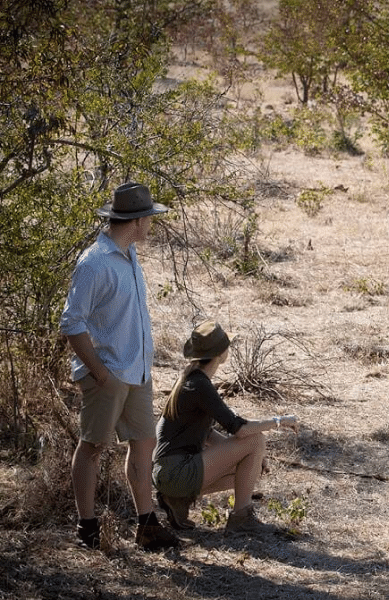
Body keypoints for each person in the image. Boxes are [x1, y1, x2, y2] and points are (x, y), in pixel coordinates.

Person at [60, 182, 179, 551]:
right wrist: (99, 372)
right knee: (93, 446)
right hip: (108, 373)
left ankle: (146, 525)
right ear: (137, 220)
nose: (151, 226)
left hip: (137, 372)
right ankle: (87, 527)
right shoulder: (94, 263)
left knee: (144, 442)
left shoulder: (128, 255)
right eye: (150, 219)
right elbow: (71, 323)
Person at [152, 320, 298, 533]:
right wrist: (280, 421)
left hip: (168, 473)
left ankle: (177, 500)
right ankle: (241, 518)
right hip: (176, 472)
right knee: (256, 439)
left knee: (249, 468)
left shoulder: (192, 378)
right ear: (220, 354)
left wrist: (251, 455)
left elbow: (208, 434)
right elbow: (240, 429)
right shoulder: (199, 384)